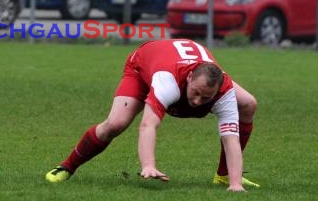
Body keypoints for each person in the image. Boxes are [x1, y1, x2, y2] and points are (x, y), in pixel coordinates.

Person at [45, 39, 260, 192]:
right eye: (195, 93)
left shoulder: (225, 92)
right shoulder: (167, 81)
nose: (197, 102)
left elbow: (230, 137)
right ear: (190, 78)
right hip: (143, 66)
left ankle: (225, 178)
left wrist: (236, 186)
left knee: (248, 104)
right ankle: (67, 166)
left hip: (175, 61)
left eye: (206, 98)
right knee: (115, 123)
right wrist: (148, 165)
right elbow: (148, 125)